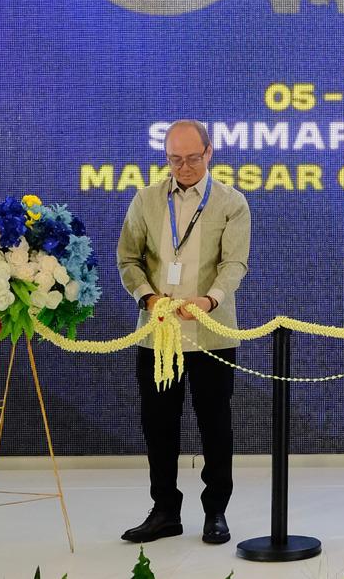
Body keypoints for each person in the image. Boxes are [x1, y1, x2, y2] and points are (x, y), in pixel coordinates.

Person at [117, 120, 251, 545]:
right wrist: (147, 297)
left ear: (209, 152)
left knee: (216, 425)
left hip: (212, 334)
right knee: (158, 425)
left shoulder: (231, 202)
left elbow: (234, 264)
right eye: (175, 159)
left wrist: (210, 300)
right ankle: (164, 512)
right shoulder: (145, 200)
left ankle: (216, 512)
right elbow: (128, 259)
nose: (185, 167)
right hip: (158, 335)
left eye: (193, 158)